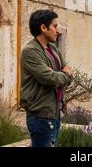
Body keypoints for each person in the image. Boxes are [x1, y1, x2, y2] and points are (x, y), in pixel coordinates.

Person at [20, 9, 73, 147]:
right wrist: (62, 74)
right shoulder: (30, 51)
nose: (58, 30)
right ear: (43, 28)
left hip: (55, 111)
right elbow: (51, 78)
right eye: (55, 26)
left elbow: (68, 74)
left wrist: (60, 75)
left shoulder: (53, 48)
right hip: (40, 115)